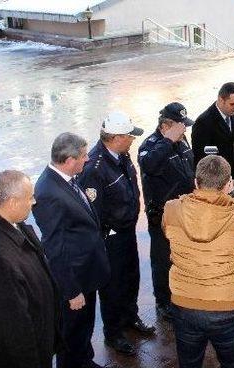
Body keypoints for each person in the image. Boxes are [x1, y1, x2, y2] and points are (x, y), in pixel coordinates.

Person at [163, 155, 234, 368]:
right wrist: (233, 197)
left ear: (196, 182)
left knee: (189, 363)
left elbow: (166, 231)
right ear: (227, 184)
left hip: (184, 301)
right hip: (228, 304)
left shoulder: (171, 208)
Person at [0, 170, 61, 368]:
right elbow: (14, 329)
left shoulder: (5, 219)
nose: (34, 201)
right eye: (30, 197)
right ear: (12, 202)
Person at [77, 111, 155, 354]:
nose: (133, 139)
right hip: (110, 238)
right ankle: (114, 333)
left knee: (131, 277)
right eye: (130, 136)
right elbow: (94, 211)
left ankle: (130, 317)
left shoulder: (121, 155)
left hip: (126, 230)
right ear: (117, 137)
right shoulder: (95, 167)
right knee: (112, 286)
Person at [33, 133, 110, 368]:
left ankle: (84, 360)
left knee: (83, 328)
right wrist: (71, 291)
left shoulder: (66, 179)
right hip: (74, 279)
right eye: (84, 156)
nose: (87, 159)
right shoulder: (48, 192)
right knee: (71, 333)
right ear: (69, 160)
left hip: (86, 272)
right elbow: (54, 249)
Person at [138, 103, 196, 321]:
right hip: (162, 214)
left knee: (184, 255)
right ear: (166, 126)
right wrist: (168, 140)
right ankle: (163, 302)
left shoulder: (183, 142)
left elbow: (189, 169)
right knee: (163, 260)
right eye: (181, 127)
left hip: (185, 211)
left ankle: (182, 293)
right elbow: (149, 165)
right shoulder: (150, 145)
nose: (185, 131)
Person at [192, 82, 234, 178]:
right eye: (232, 104)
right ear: (221, 100)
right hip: (216, 182)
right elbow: (201, 159)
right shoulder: (204, 122)